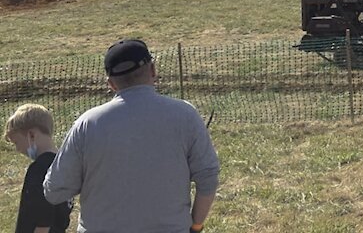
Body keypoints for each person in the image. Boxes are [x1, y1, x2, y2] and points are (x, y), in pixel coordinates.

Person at [44, 39, 220, 233]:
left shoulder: (87, 124)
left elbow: (54, 191)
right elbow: (208, 178)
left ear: (111, 84)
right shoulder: (185, 115)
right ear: (153, 70)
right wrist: (195, 226)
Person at [5, 104, 71, 233]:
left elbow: (43, 220)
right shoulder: (64, 164)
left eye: (17, 142)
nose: (18, 149)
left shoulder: (39, 169)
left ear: (31, 135)